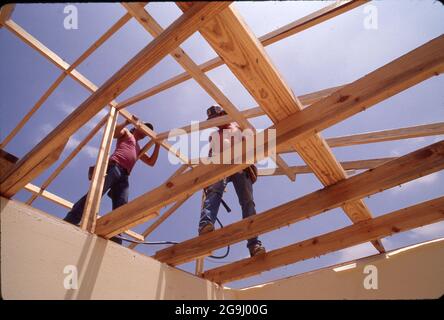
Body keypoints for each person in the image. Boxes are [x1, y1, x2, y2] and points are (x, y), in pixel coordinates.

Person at [63, 115, 161, 244]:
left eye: (148, 132)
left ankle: (115, 237)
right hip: (114, 167)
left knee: (122, 207)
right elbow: (114, 133)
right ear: (137, 127)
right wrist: (127, 121)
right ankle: (71, 219)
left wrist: (157, 145)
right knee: (95, 194)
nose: (146, 133)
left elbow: (151, 162)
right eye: (145, 128)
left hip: (124, 176)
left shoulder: (139, 149)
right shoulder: (127, 133)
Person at [198, 105, 266, 257]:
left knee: (247, 202)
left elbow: (252, 145)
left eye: (215, 118)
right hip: (221, 167)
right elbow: (210, 155)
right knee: (214, 192)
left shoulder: (239, 127)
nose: (214, 122)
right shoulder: (214, 135)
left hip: (241, 166)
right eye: (212, 120)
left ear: (223, 114)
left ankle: (254, 244)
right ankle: (205, 225)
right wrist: (207, 176)